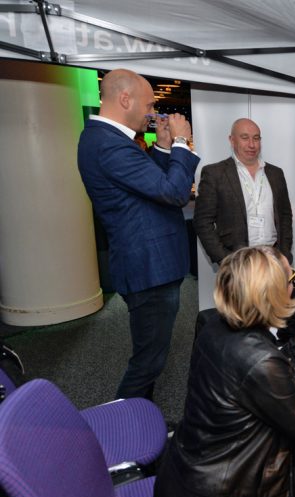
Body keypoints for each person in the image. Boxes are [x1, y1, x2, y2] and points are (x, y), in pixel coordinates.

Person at [154, 246, 295, 497]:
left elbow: (253, 381)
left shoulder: (214, 327)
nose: (293, 287)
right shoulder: (261, 359)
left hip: (183, 478)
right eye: (291, 280)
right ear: (274, 293)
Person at [77, 69, 199, 400]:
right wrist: (179, 142)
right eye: (149, 104)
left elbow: (150, 189)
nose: (152, 113)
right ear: (125, 99)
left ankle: (139, 421)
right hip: (148, 269)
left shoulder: (110, 141)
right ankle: (127, 433)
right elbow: (174, 193)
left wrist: (160, 148)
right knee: (147, 362)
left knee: (151, 358)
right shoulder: (108, 144)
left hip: (151, 266)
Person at [194, 118, 293, 264]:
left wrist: (284, 253)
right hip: (237, 260)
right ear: (232, 140)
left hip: (273, 258)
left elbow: (285, 216)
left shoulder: (276, 173)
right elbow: (202, 222)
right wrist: (225, 259)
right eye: (245, 138)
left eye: (256, 138)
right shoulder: (215, 173)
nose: (252, 145)